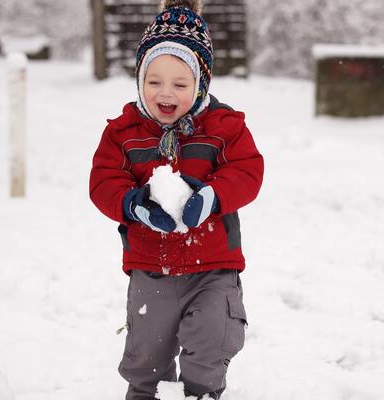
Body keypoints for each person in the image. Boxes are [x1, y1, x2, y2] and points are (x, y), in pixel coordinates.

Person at [88, 1, 264, 399]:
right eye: (154, 82)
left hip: (213, 266)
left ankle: (201, 393)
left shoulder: (224, 128)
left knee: (211, 339)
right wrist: (133, 204)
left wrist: (212, 197)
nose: (165, 93)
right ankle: (147, 392)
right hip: (151, 267)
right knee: (146, 354)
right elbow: (103, 180)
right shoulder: (124, 133)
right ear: (139, 80)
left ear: (201, 84)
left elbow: (247, 171)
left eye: (180, 85)